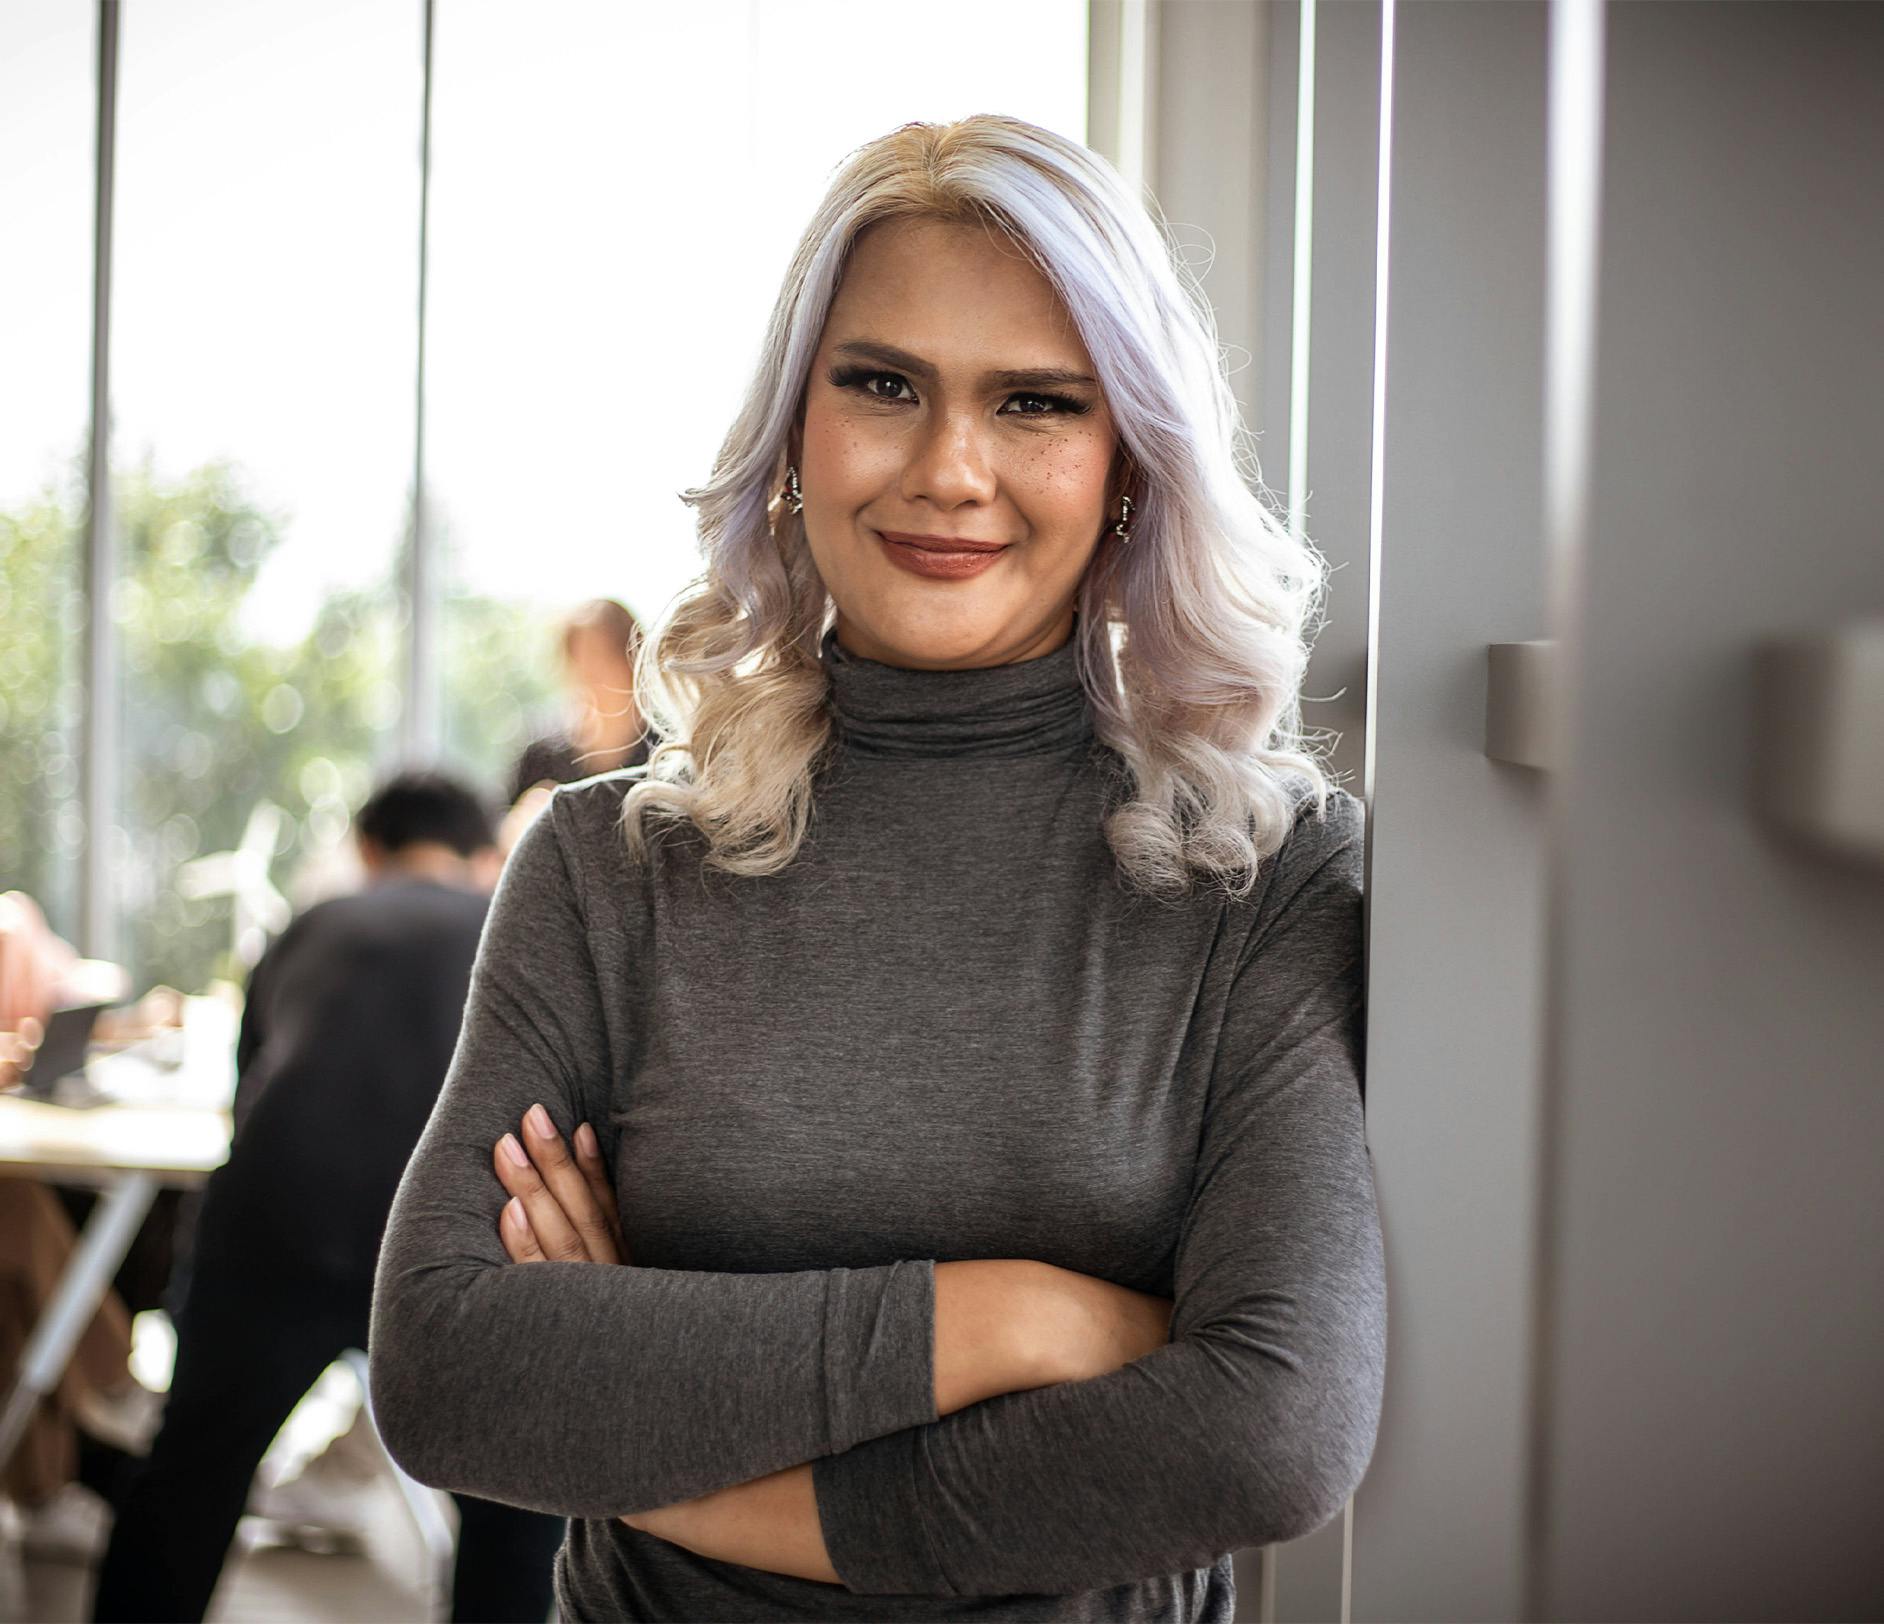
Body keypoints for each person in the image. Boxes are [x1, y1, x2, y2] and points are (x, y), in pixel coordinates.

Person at [370, 114, 1386, 1624]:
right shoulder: (607, 868)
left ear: (1127, 462)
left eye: (1035, 401)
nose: (950, 469)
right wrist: (1016, 1319)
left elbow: (1268, 1433)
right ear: (795, 429)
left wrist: (658, 1444)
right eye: (884, 385)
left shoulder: (1266, 875)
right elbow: (449, 1372)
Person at [91, 771, 564, 1623]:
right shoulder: (517, 925)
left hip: (277, 1223)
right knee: (515, 1501)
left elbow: (248, 1087)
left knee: (191, 1474)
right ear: (486, 852)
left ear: (368, 850)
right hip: (454, 1237)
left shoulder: (312, 923)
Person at [505, 597, 651, 809]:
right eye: (580, 658)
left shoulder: (665, 754)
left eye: (605, 657)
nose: (593, 674)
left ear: (633, 659)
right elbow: (502, 833)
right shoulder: (543, 757)